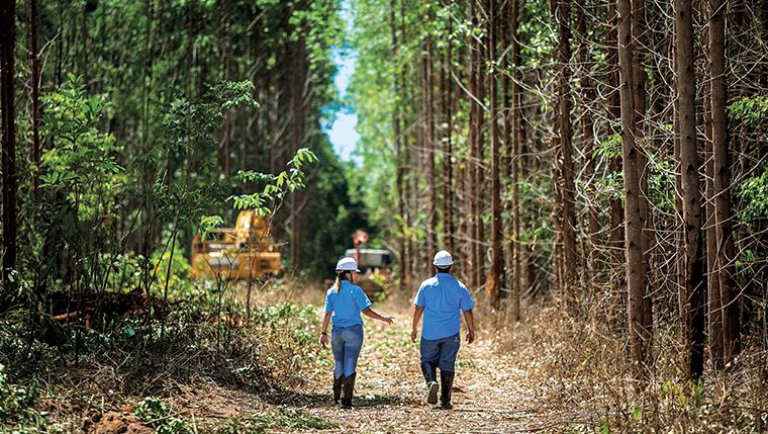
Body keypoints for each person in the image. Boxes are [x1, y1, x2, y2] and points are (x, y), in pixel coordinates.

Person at [319, 257, 394, 409]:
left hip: (336, 334)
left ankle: (336, 398)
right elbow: (366, 311)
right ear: (348, 274)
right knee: (350, 364)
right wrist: (382, 318)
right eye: (355, 272)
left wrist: (323, 333)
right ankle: (346, 401)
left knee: (338, 363)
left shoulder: (331, 292)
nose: (357, 275)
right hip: (354, 332)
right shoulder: (356, 290)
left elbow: (327, 314)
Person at [411, 250, 475, 409]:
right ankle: (445, 400)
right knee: (448, 364)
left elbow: (418, 308)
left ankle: (431, 382)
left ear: (435, 267)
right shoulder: (460, 287)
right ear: (451, 267)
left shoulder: (426, 285)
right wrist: (471, 330)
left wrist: (414, 328)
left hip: (430, 333)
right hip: (451, 335)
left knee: (427, 360)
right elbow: (468, 310)